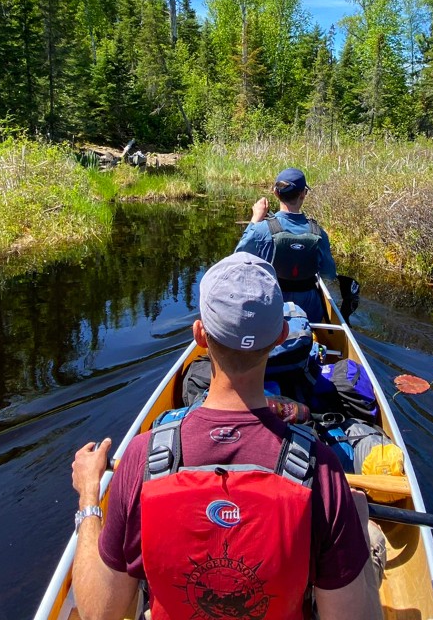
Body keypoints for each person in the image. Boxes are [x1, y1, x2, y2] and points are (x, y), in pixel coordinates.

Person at [70, 253, 381, 620]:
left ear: (200, 335)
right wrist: (356, 524)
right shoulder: (321, 470)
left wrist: (90, 498)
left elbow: (98, 613)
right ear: (282, 335)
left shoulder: (143, 455)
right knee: (372, 537)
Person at [235, 168, 337, 323]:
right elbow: (329, 274)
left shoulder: (260, 230)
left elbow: (238, 258)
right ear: (303, 194)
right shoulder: (319, 234)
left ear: (276, 193)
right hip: (309, 311)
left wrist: (255, 219)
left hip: (272, 306)